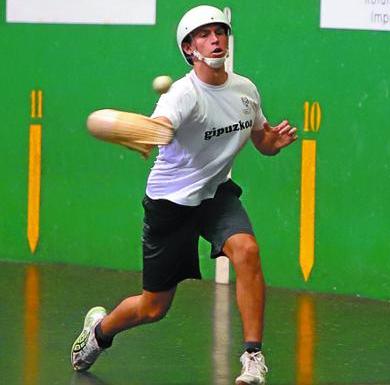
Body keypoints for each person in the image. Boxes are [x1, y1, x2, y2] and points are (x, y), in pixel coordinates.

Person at [70, 5, 297, 385]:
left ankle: (253, 358)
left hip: (215, 194)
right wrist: (143, 132)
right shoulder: (182, 95)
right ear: (189, 49)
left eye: (220, 32)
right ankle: (98, 333)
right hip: (170, 204)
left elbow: (262, 140)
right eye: (205, 34)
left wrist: (273, 142)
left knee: (247, 251)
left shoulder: (246, 90)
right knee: (153, 307)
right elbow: (161, 125)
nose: (215, 38)